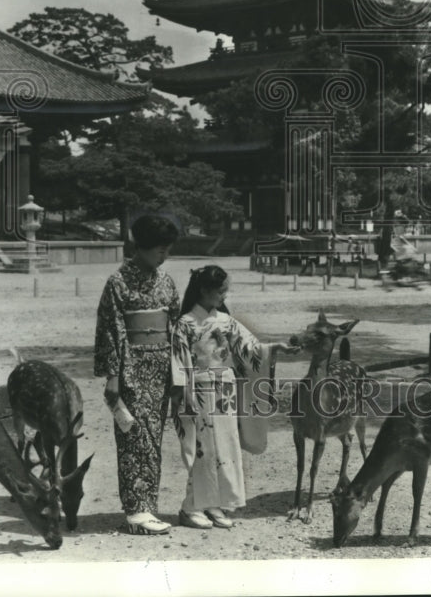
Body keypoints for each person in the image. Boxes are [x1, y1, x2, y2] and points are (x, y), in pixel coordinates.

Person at [170, 265, 299, 530]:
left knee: (226, 447)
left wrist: (276, 348)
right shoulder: (185, 324)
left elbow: (251, 347)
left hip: (225, 387)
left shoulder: (226, 321)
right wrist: (185, 393)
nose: (224, 297)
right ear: (204, 290)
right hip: (200, 387)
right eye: (220, 292)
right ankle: (190, 506)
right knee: (203, 448)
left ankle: (215, 502)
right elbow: (179, 361)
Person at [94, 213, 181, 535]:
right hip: (130, 366)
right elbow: (110, 330)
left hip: (161, 366)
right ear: (140, 247)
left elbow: (175, 327)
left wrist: (178, 372)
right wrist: (112, 375)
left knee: (154, 438)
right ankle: (135, 511)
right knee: (133, 438)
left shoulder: (167, 281)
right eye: (159, 249)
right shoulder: (118, 282)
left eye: (167, 249)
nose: (164, 255)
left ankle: (148, 506)